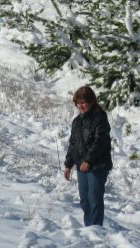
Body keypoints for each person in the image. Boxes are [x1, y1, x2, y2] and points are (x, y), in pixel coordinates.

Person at [64, 86, 113, 227]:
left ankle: (96, 230)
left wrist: (88, 161)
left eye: (84, 102)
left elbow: (100, 142)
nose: (81, 105)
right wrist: (68, 164)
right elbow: (73, 144)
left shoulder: (100, 118)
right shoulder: (77, 121)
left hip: (97, 166)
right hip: (81, 166)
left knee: (94, 199)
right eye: (78, 103)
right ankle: (88, 230)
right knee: (84, 200)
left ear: (91, 101)